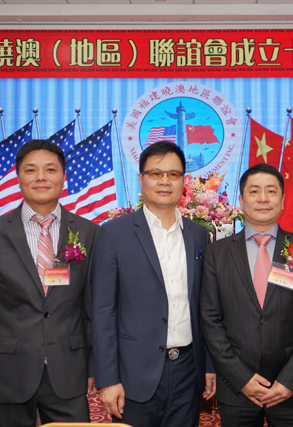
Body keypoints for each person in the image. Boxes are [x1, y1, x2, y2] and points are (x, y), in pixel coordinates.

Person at [0, 139, 98, 427]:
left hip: (69, 371)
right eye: (31, 170)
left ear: (64, 176)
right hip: (7, 372)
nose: (41, 177)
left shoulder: (89, 233)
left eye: (50, 169)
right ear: (18, 176)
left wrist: (95, 367)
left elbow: (93, 309)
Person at [92, 140, 215, 427]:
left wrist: (209, 365)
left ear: (184, 181)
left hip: (188, 370)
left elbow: (206, 307)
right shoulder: (114, 233)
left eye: (173, 174)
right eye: (156, 173)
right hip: (134, 373)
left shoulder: (198, 235)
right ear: (141, 179)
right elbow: (102, 311)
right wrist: (108, 379)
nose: (164, 181)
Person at [200, 163, 293, 427]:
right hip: (237, 388)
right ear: (241, 200)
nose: (263, 198)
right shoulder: (217, 252)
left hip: (291, 389)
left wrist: (291, 379)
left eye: (271, 191)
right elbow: (210, 319)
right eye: (254, 191)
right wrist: (240, 378)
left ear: (283, 200)